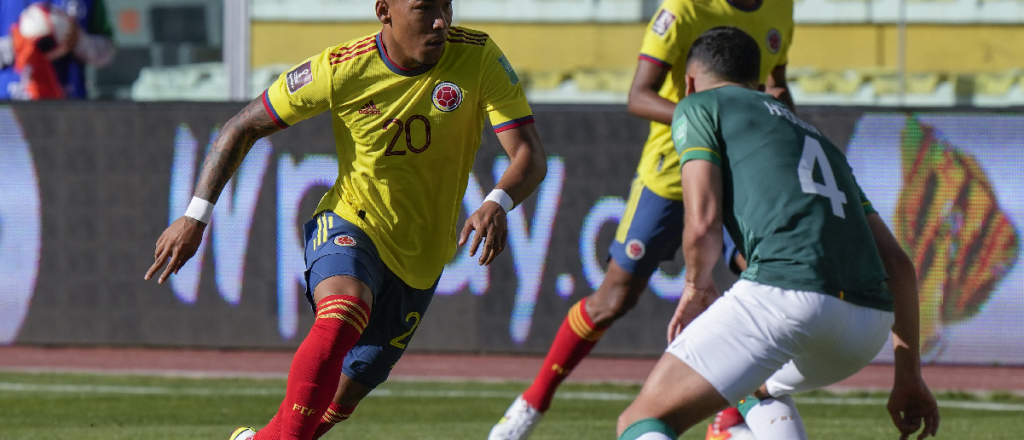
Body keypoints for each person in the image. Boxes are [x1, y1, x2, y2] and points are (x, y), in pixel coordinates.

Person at [144, 1, 547, 440]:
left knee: (340, 400)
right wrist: (195, 216)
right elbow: (241, 127)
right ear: (384, 11)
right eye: (423, 8)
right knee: (343, 312)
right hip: (351, 223)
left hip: (422, 259)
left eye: (446, 6)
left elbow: (528, 152)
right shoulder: (340, 69)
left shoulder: (478, 55)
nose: (440, 21)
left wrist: (498, 200)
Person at [615, 27, 940, 440]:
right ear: (758, 81)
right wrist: (908, 376)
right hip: (865, 328)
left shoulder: (700, 105)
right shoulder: (816, 138)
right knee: (749, 382)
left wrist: (697, 286)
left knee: (642, 421)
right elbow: (898, 264)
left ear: (689, 82)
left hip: (788, 296)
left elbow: (702, 220)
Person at [489, 1, 793, 439]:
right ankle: (532, 403)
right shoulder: (683, 11)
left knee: (762, 283)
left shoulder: (782, 8)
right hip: (671, 174)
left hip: (742, 173)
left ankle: (730, 419)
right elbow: (638, 95)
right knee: (613, 298)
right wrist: (710, 123)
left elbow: (776, 84)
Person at [0, 0, 115, 99]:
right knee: (8, 124)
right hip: (9, 104)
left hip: (68, 105)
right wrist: (17, 45)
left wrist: (79, 41)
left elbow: (108, 52)